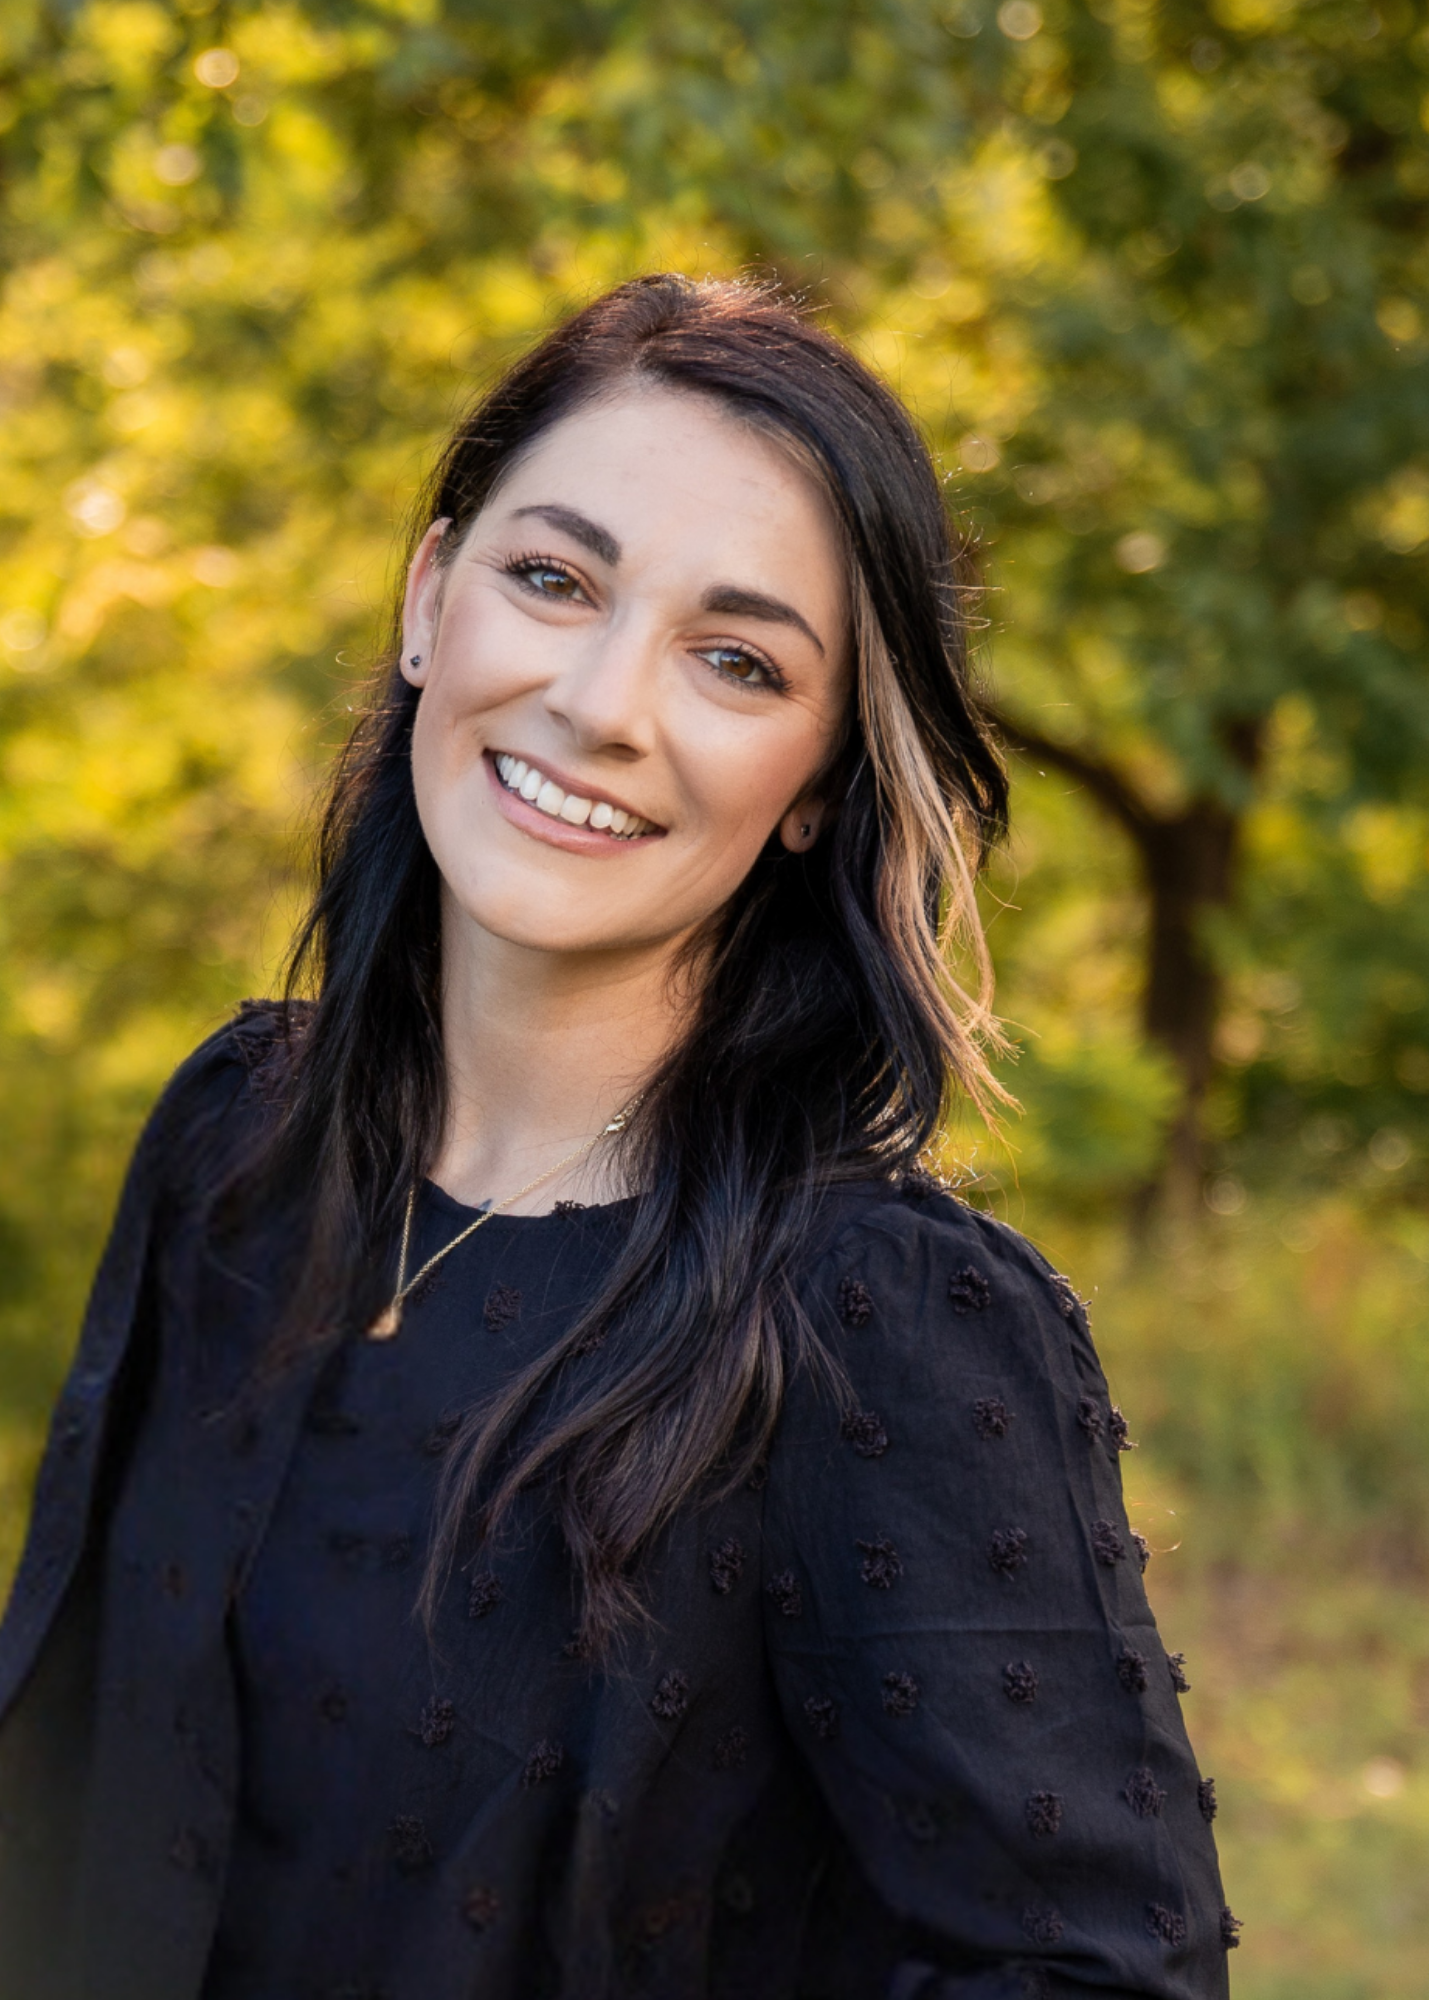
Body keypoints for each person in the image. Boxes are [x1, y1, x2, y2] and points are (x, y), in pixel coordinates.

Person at [0, 274, 1234, 2000]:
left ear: (811, 779)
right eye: (552, 579)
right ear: (433, 598)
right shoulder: (235, 1146)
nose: (602, 702)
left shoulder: (884, 1324)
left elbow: (1099, 1974)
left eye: (735, 660)